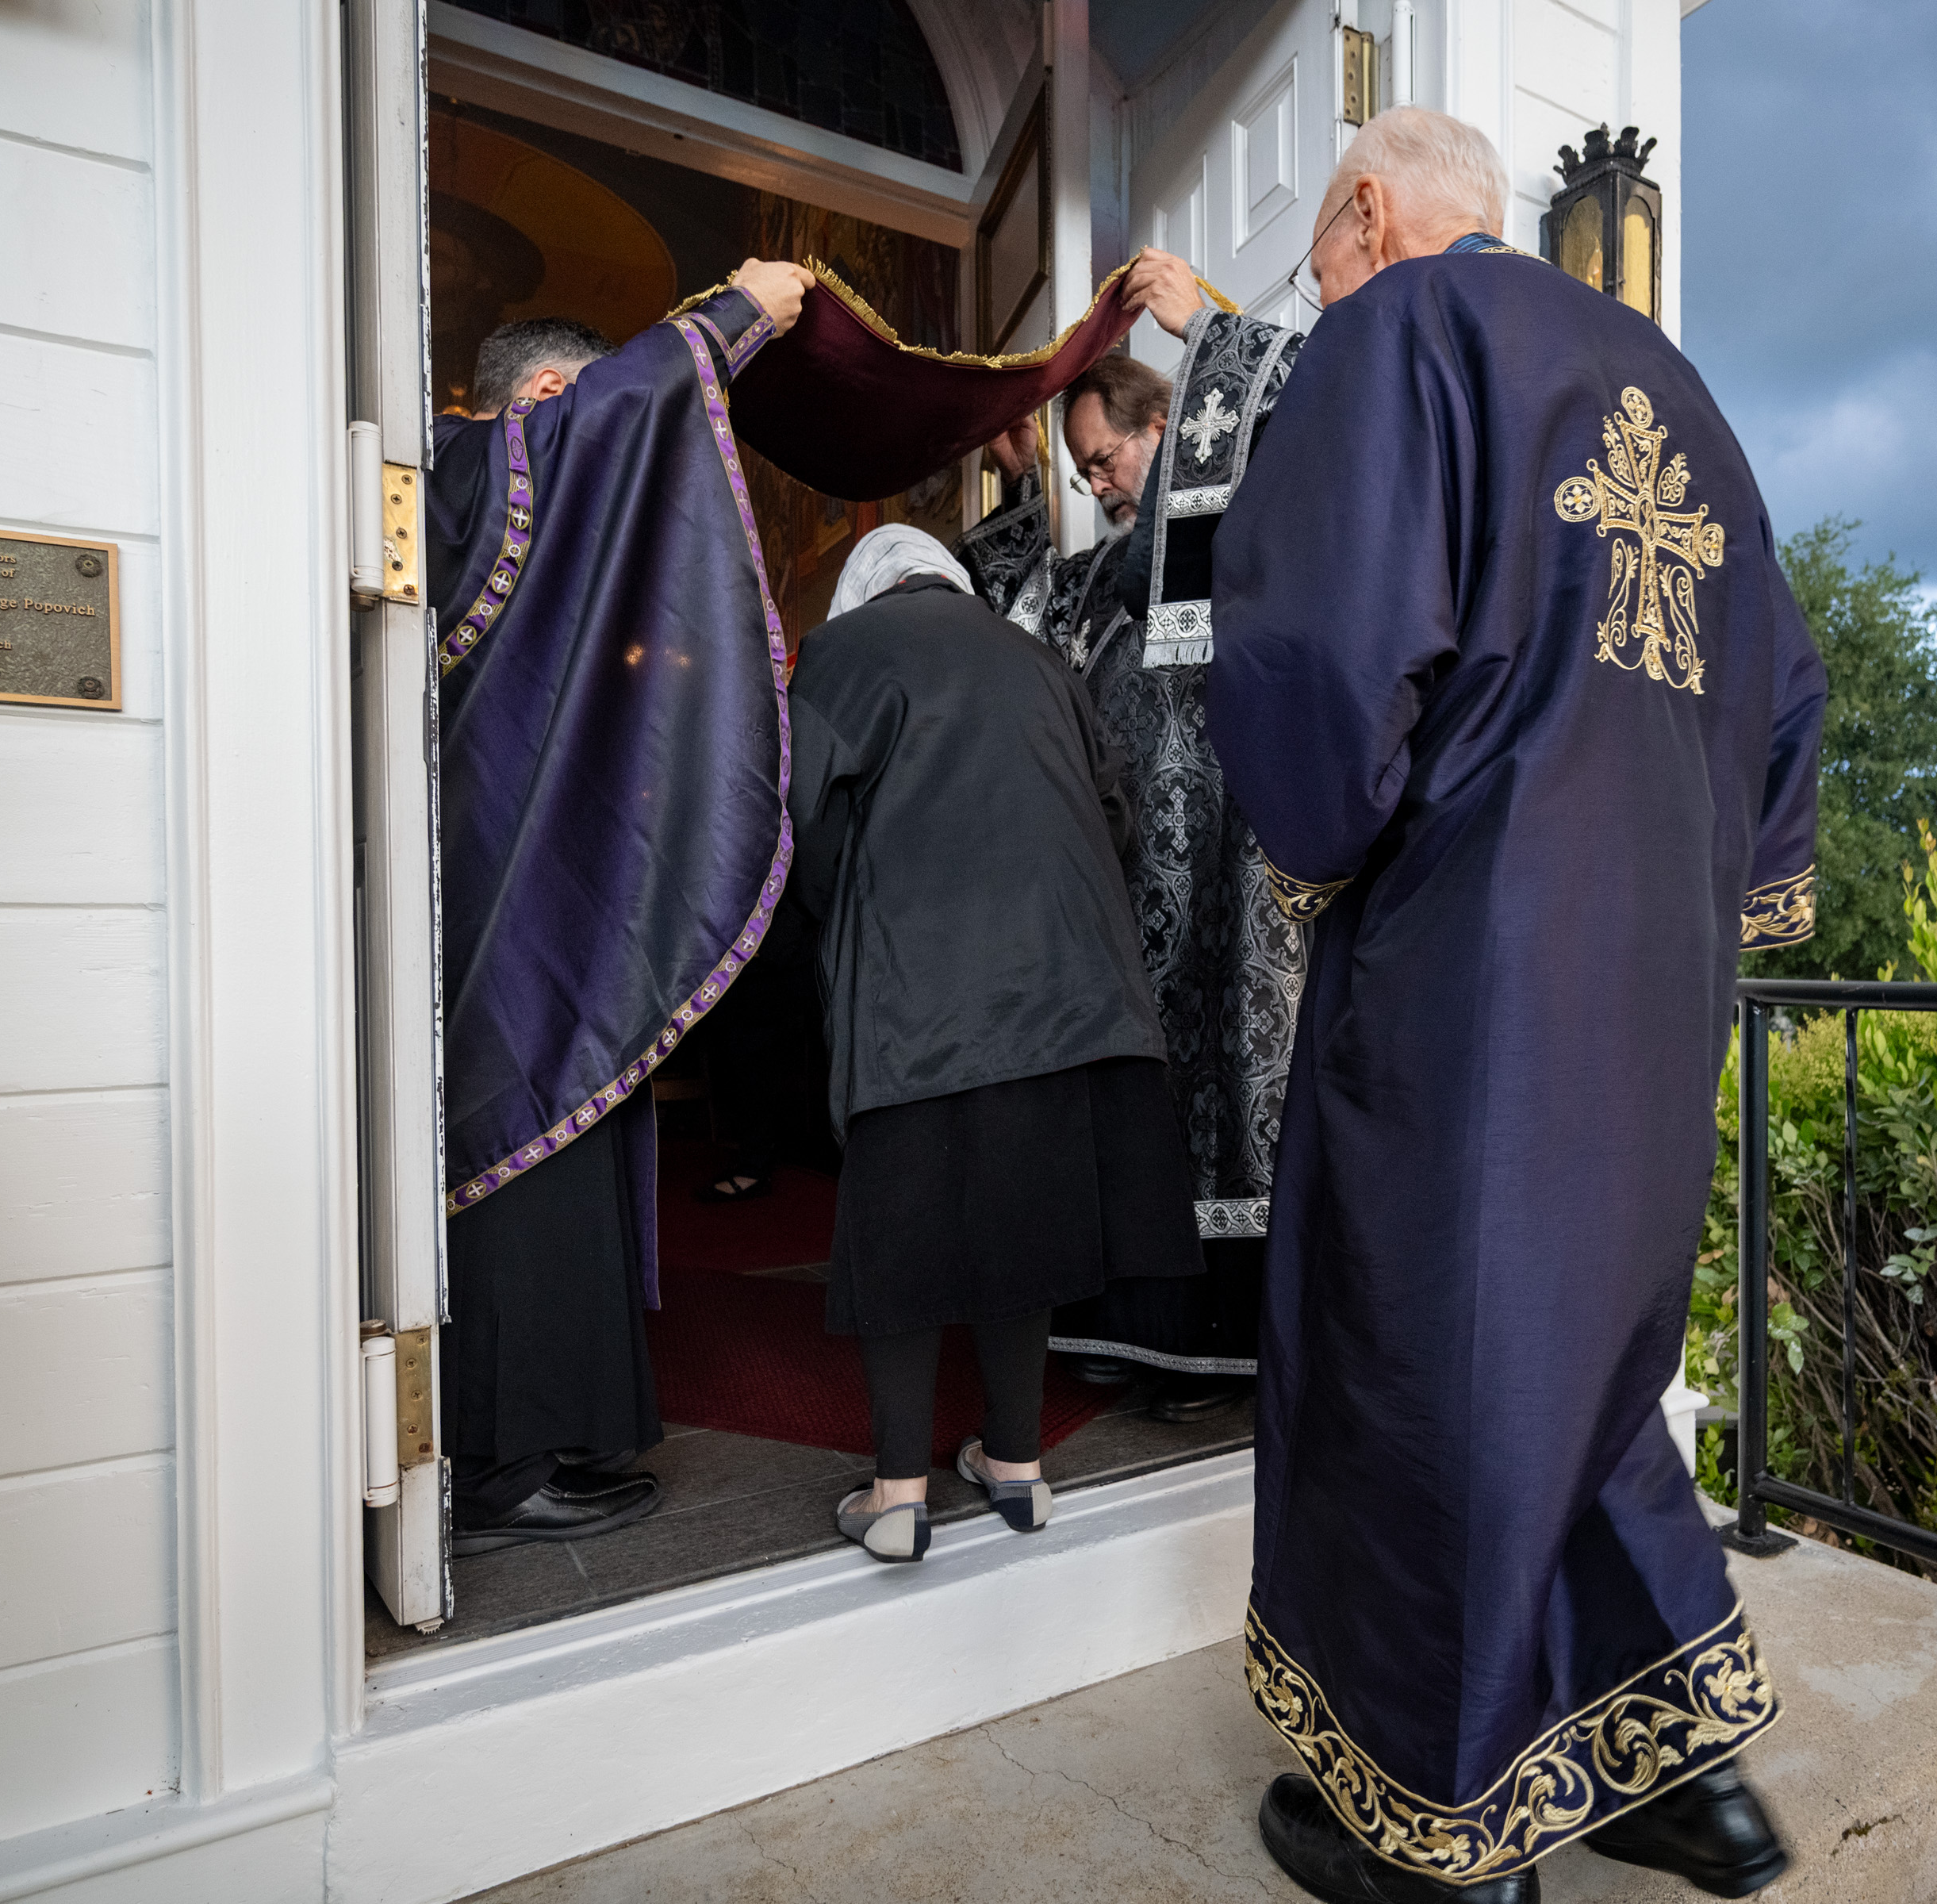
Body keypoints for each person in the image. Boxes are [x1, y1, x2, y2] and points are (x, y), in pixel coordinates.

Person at [1208, 108, 1825, 1902]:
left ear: (1374, 213)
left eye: (1318, 252)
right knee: (1584, 1357)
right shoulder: (1683, 396)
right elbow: (1788, 693)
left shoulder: (1402, 330)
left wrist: (1324, 845)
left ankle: (1442, 1826)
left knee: (1422, 1355)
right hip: (1654, 974)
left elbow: (1324, 645)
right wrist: (1727, 893)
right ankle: (1677, 1776)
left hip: (1473, 949)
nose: (1316, 288)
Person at [430, 260, 813, 1555]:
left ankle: (548, 1436)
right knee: (515, 1134)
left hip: (538, 878)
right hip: (495, 892)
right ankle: (491, 1467)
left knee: (567, 1132)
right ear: (546, 403)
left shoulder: (487, 493)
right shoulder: (465, 470)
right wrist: (736, 315)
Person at [786, 525, 1206, 1562]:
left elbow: (806, 826)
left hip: (919, 996)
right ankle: (1016, 1470)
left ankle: (897, 1499)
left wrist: (836, 929)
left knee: (907, 1236)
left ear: (866, 589)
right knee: (1026, 1221)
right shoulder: (1039, 657)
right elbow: (1112, 811)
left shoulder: (841, 656)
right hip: (1062, 991)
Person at [955, 254, 1313, 1419]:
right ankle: (1133, 1333)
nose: (1101, 486)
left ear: (1171, 425)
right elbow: (1017, 617)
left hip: (1226, 857)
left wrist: (1209, 326)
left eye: (1105, 459)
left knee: (1225, 1089)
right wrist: (1015, 493)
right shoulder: (1108, 566)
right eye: (1083, 470)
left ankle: (1226, 1349)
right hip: (1124, 890)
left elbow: (1314, 404)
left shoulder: (1251, 504)